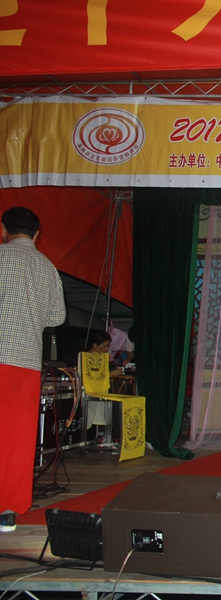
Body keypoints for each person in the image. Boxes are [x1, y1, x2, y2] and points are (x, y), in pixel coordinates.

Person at [0, 207, 66, 533]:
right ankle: (8, 511)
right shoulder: (47, 267)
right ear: (37, 234)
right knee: (18, 437)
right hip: (26, 360)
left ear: (3, 229)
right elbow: (57, 318)